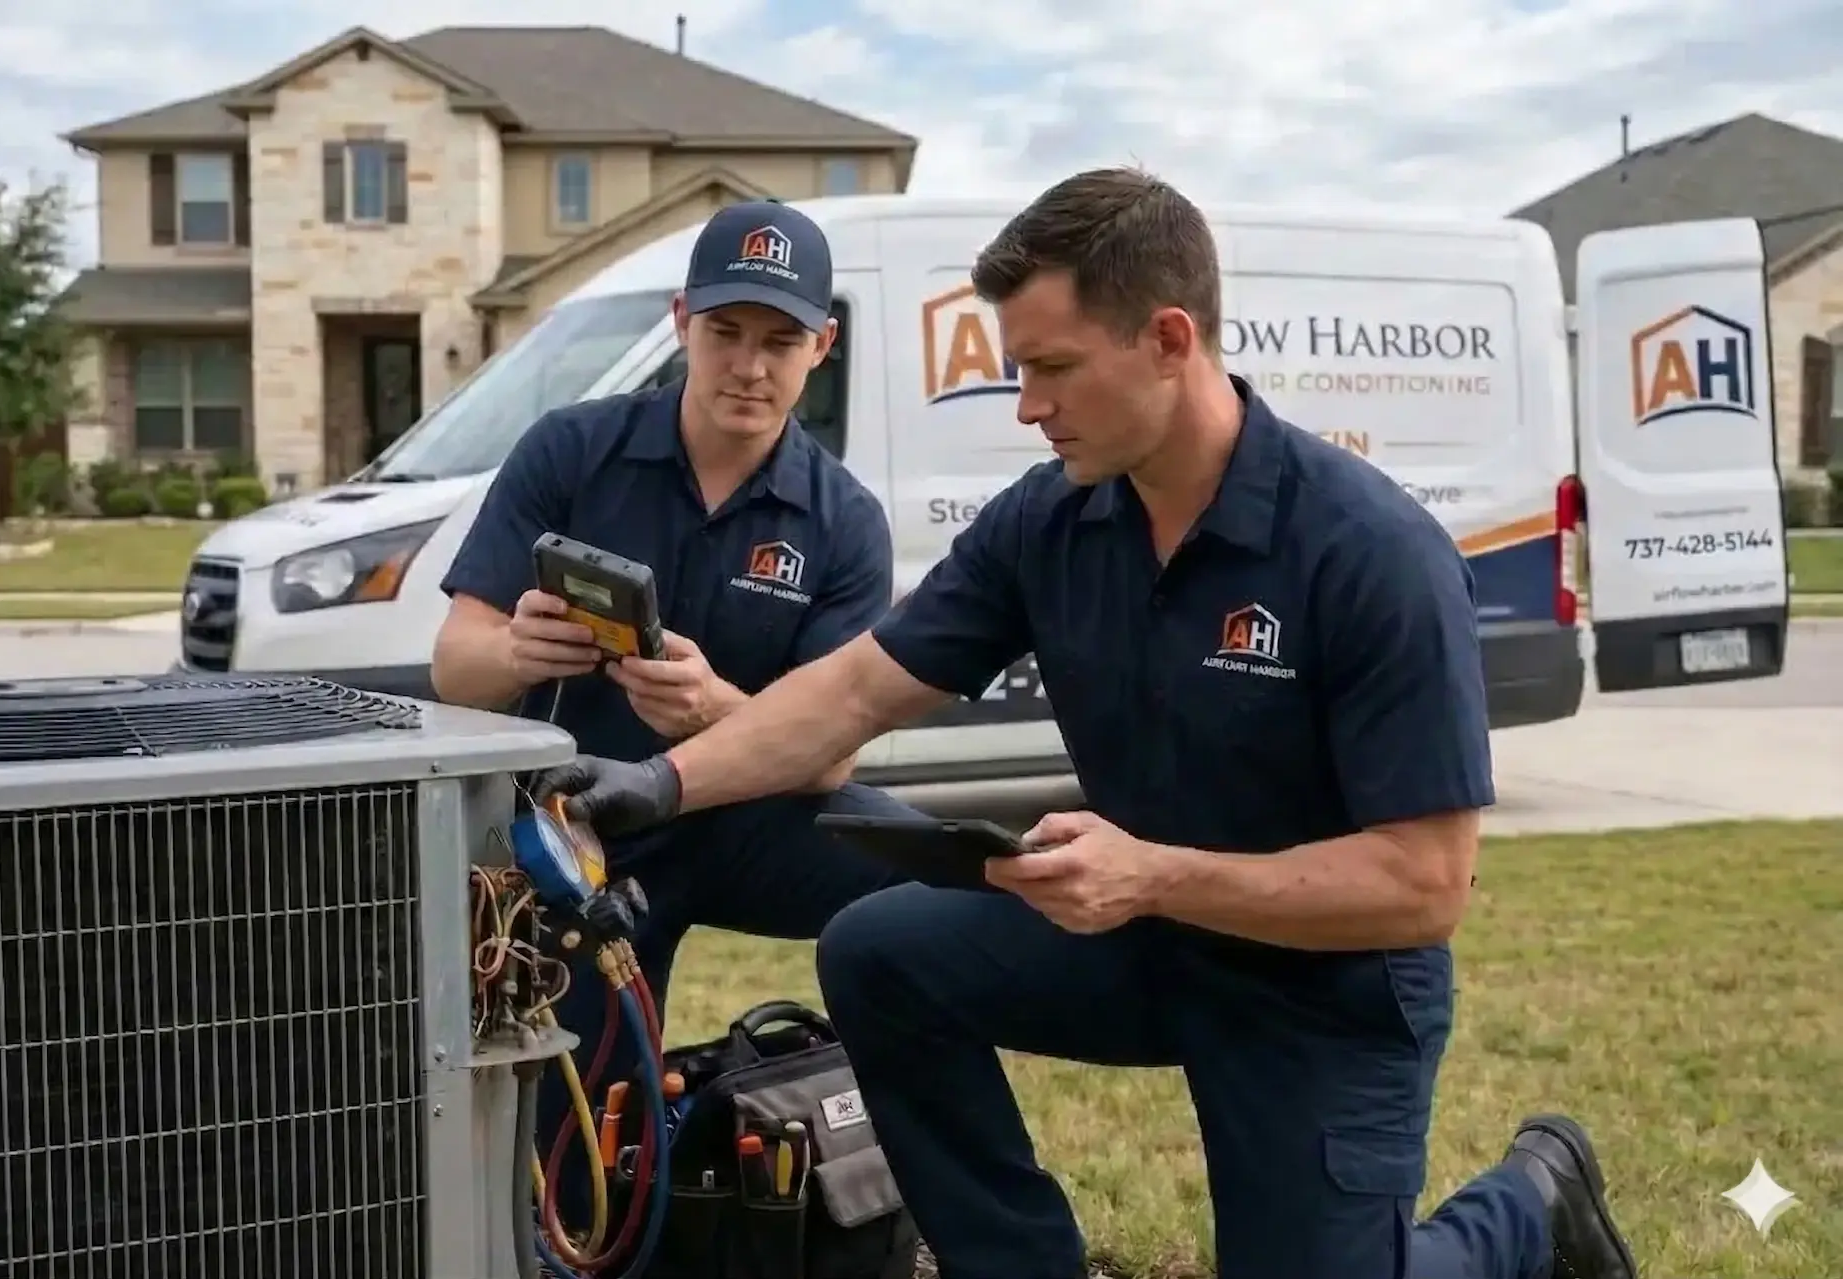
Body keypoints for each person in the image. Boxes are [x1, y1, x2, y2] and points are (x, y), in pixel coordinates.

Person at [533, 169, 1642, 1279]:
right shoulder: (1051, 520)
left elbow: (1425, 886)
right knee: (879, 950)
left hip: (1324, 981)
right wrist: (663, 783)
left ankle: (1534, 1206)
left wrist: (1152, 874)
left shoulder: (1370, 554)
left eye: (1053, 368)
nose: (1027, 405)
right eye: (1020, 369)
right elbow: (854, 690)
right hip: (1145, 939)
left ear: (1168, 339)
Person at [431, 198, 917, 1174]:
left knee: (924, 884)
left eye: (780, 340)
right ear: (680, 320)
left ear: (822, 346)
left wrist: (714, 711)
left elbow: (833, 758)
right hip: (578, 829)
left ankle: (871, 1125)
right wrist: (519, 648)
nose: (750, 365)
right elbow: (454, 663)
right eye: (726, 331)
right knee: (583, 1136)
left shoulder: (844, 520)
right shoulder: (573, 451)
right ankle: (605, 1197)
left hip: (745, 815)